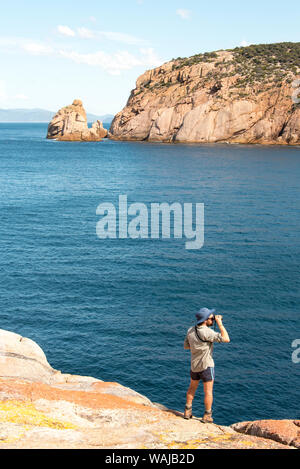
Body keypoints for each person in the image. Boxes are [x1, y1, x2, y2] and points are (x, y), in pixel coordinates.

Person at [183, 307, 230, 423]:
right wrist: (220, 323)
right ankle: (207, 415)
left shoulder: (190, 330)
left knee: (191, 388)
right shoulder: (207, 332)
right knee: (208, 392)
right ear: (205, 320)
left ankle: (187, 411)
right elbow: (226, 339)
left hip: (194, 366)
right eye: (211, 318)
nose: (212, 320)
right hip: (206, 366)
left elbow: (186, 346)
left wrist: (197, 346)